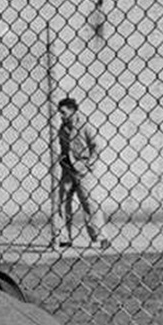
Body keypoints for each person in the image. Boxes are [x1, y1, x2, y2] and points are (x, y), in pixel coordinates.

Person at [52, 96, 110, 250]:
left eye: (63, 112)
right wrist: (62, 159)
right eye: (60, 113)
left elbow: (96, 146)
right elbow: (63, 146)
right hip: (67, 170)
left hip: (83, 170)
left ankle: (101, 236)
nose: (61, 115)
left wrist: (89, 164)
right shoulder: (62, 127)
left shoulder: (85, 126)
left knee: (89, 203)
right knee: (62, 202)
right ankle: (65, 237)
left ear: (73, 111)